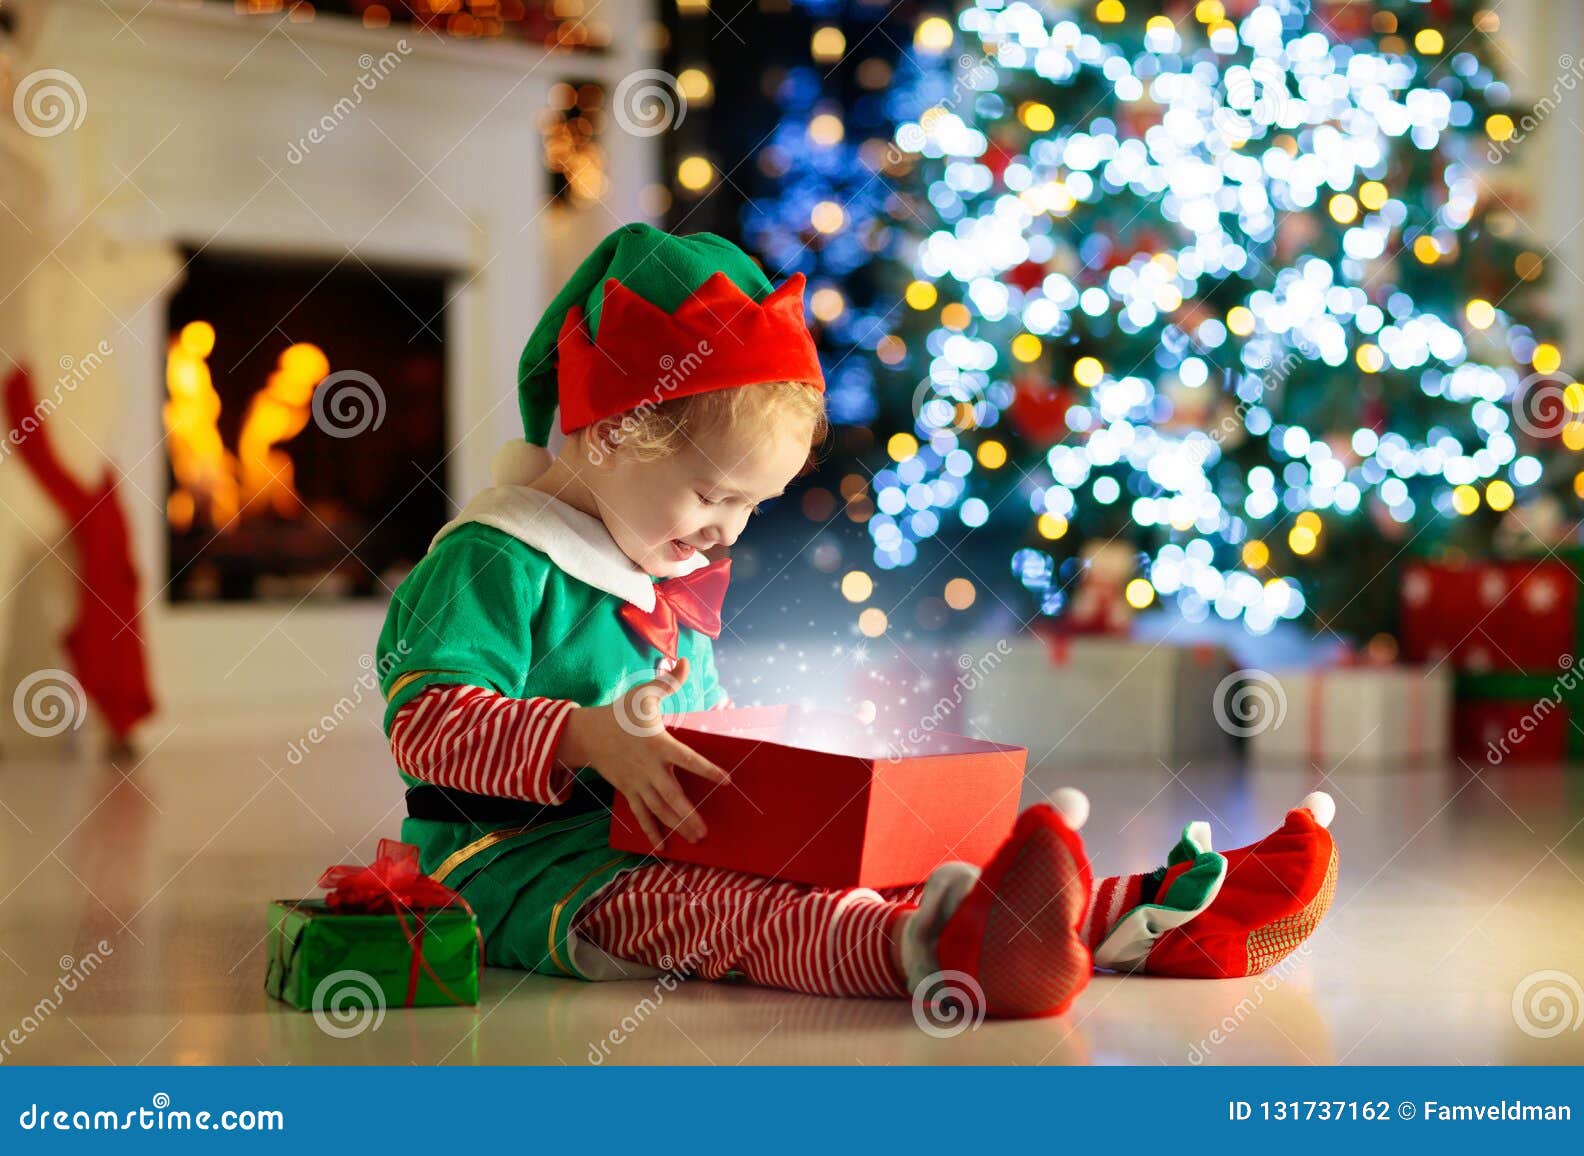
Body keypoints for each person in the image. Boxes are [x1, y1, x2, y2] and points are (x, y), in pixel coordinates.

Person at [374, 222, 1338, 1019]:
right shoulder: (493, 559)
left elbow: (694, 732)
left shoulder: (656, 564)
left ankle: (1132, 914)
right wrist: (588, 737)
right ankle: (931, 950)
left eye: (750, 507)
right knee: (723, 909)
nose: (724, 536)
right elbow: (420, 721)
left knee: (860, 849)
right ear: (614, 431)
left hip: (652, 832)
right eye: (712, 494)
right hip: (525, 863)